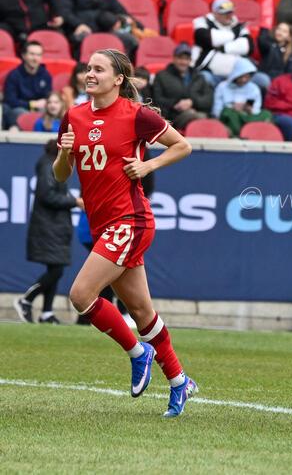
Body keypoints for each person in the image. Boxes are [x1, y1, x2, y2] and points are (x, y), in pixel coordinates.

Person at [52, 48, 196, 417]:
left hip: (130, 220)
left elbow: (183, 145)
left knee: (81, 294)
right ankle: (180, 382)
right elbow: (60, 175)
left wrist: (148, 165)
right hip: (104, 223)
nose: (90, 74)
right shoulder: (74, 115)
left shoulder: (137, 115)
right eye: (88, 68)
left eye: (98, 69)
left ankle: (138, 352)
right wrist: (65, 154)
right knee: (142, 311)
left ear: (118, 79)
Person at [14, 139, 84, 325]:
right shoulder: (48, 165)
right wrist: (75, 202)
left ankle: (46, 313)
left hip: (55, 227)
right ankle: (26, 300)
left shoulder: (50, 164)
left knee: (55, 268)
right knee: (57, 270)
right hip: (48, 226)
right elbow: (48, 195)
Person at [193, 0, 261, 87]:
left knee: (263, 80)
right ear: (215, 13)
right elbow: (206, 38)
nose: (229, 16)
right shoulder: (203, 22)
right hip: (212, 74)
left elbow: (248, 47)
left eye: (230, 12)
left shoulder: (238, 25)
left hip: (239, 75)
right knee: (204, 78)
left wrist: (222, 47)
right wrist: (234, 35)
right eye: (225, 13)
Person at [152, 43, 213, 131]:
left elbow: (208, 100)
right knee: (198, 116)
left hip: (198, 112)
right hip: (172, 117)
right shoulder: (161, 76)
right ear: (174, 58)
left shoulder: (199, 77)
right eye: (180, 58)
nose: (183, 62)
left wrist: (192, 102)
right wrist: (176, 104)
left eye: (187, 59)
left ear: (190, 60)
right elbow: (157, 100)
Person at [212, 58, 270, 137]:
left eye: (247, 77)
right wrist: (233, 107)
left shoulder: (254, 88)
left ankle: (251, 134)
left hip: (248, 117)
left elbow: (257, 109)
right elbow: (217, 110)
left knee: (267, 114)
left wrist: (249, 109)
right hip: (231, 117)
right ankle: (237, 136)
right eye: (241, 77)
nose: (244, 80)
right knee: (229, 113)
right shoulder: (222, 87)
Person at [3, 41, 52, 130]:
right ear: (24, 55)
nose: (35, 58)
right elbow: (10, 100)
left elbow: (48, 96)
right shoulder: (14, 75)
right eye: (32, 54)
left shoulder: (45, 75)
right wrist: (32, 104)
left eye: (38, 55)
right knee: (16, 112)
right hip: (19, 109)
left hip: (40, 110)